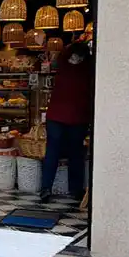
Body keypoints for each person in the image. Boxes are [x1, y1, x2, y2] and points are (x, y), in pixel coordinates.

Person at [40, 39, 93, 203]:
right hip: (78, 117)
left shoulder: (62, 62)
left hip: (55, 116)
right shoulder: (88, 67)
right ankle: (76, 190)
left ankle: (46, 188)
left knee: (52, 153)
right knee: (76, 153)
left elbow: (63, 51)